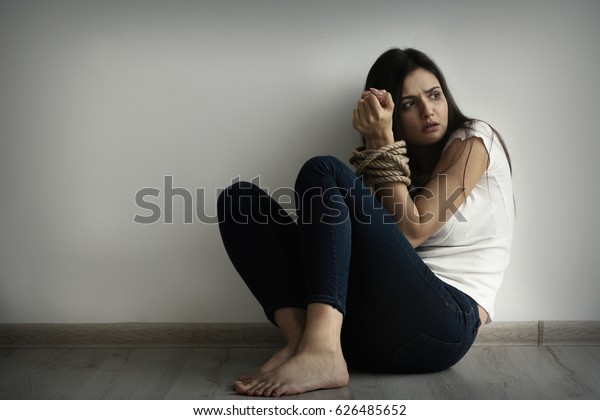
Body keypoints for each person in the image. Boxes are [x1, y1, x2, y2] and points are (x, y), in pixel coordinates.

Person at [217, 47, 514, 397]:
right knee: (239, 201)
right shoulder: (390, 169)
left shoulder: (475, 139)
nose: (428, 110)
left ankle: (321, 349)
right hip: (367, 331)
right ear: (392, 114)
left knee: (323, 170)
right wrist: (382, 154)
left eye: (434, 95)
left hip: (442, 327)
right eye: (408, 104)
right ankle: (305, 343)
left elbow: (412, 231)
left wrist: (380, 140)